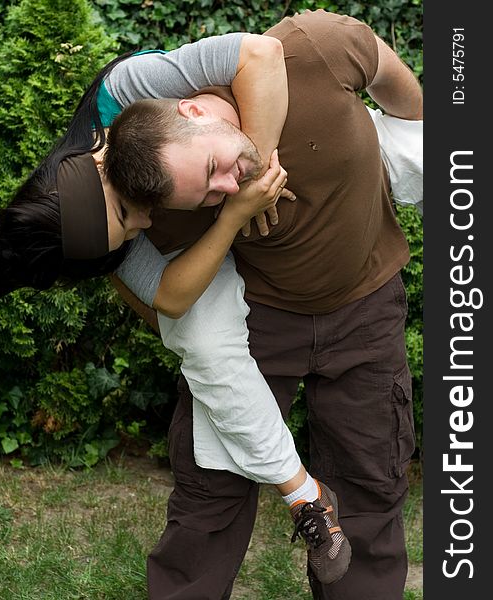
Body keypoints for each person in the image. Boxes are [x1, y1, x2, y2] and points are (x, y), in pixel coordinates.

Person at [0, 30, 353, 587]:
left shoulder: (124, 93)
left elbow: (260, 54)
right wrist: (233, 216)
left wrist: (247, 172)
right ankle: (303, 494)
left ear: (98, 167)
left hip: (280, 146)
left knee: (396, 152)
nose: (145, 223)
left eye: (128, 209)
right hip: (210, 241)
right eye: (130, 231)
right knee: (200, 342)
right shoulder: (107, 243)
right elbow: (171, 298)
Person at [105, 8, 423, 600]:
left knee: (370, 486)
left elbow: (395, 81)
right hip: (257, 325)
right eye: (207, 194)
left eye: (211, 168)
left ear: (193, 109)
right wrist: (229, 216)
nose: (224, 187)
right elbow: (138, 280)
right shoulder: (158, 185)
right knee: (210, 495)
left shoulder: (313, 47)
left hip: (365, 307)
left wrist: (418, 128)